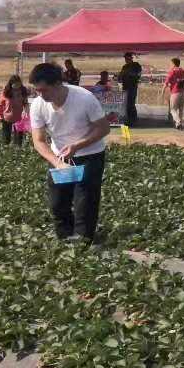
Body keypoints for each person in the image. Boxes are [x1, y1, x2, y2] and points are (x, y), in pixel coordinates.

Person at [29, 61, 111, 244]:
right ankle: (64, 240)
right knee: (58, 203)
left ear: (58, 84)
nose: (40, 95)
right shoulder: (38, 105)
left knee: (85, 201)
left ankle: (84, 241)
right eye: (37, 91)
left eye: (44, 90)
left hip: (90, 154)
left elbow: (104, 129)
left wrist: (77, 146)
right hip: (59, 157)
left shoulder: (84, 98)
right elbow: (39, 141)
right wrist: (57, 162)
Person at [0, 77, 30, 146]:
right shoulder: (6, 92)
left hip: (19, 119)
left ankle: (17, 154)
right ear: (11, 84)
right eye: (15, 84)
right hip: (7, 119)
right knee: (6, 140)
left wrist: (26, 112)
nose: (17, 86)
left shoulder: (22, 91)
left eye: (18, 84)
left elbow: (25, 103)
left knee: (18, 141)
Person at [164, 57, 184, 129]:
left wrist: (162, 92)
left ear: (173, 64)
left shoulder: (172, 71)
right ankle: (179, 125)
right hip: (183, 93)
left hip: (175, 93)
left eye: (170, 64)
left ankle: (178, 121)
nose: (170, 65)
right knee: (181, 109)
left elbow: (166, 83)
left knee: (173, 110)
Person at [118, 52, 143, 127]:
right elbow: (120, 77)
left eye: (127, 58)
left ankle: (133, 119)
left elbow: (138, 74)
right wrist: (120, 76)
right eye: (125, 58)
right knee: (126, 104)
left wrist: (128, 73)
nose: (125, 59)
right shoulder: (124, 66)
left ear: (130, 58)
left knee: (131, 103)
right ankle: (128, 119)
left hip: (132, 87)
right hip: (125, 87)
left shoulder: (136, 65)